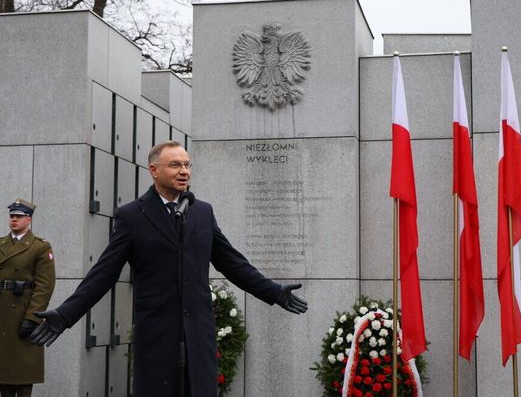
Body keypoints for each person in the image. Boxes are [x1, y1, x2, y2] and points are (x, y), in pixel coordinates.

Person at [31, 141, 308, 397]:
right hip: (156, 337)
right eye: (175, 165)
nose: (184, 171)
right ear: (154, 170)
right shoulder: (131, 216)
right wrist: (65, 315)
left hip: (198, 337)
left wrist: (274, 292)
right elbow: (103, 273)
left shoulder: (202, 212)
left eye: (187, 165)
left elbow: (233, 263)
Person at [0, 199, 56, 397]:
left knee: (23, 379)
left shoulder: (39, 247)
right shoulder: (1, 244)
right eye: (12, 216)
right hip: (2, 316)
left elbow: (44, 286)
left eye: (19, 216)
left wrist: (32, 318)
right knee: (3, 379)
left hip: (23, 315)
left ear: (28, 220)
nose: (14, 220)